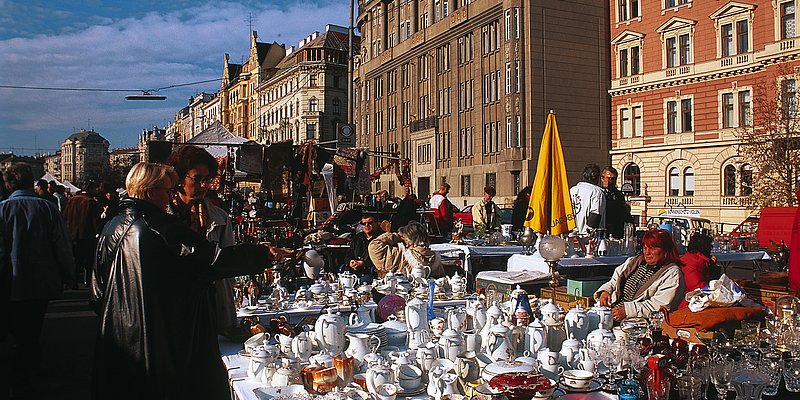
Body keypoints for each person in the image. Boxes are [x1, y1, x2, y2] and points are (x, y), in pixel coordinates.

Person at [90, 162, 282, 400]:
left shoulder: (112, 226)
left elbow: (97, 292)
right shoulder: (158, 226)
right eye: (167, 191)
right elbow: (212, 260)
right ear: (150, 192)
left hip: (119, 339)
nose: (170, 198)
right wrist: (263, 254)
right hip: (160, 339)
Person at [0, 163, 75, 398]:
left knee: (15, 325)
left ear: (8, 184)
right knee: (32, 327)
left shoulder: (2, 209)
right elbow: (62, 245)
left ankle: (21, 374)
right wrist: (69, 274)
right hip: (41, 280)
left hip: (8, 281)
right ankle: (27, 371)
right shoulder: (47, 208)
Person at [166, 145, 239, 336]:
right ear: (180, 178)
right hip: (175, 307)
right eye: (197, 179)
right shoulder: (163, 217)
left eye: (207, 180)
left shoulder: (219, 218)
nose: (204, 186)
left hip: (212, 304)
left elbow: (228, 263)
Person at [594, 229, 685, 320]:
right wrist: (605, 291)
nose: (647, 252)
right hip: (612, 312)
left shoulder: (672, 274)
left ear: (665, 251)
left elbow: (659, 306)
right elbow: (614, 281)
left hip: (639, 323)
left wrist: (627, 311)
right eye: (645, 248)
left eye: (652, 248)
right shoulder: (634, 262)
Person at [368, 221, 445, 278]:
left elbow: (374, 246)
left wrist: (397, 236)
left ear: (408, 240)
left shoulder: (401, 255)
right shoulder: (435, 257)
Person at [64, 183, 101, 289]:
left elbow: (65, 216)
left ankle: (73, 282)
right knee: (89, 261)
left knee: (76, 260)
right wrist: (96, 232)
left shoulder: (72, 200)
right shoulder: (90, 202)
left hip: (72, 235)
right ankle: (88, 282)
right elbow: (95, 220)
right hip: (87, 235)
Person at [679, 232, 715, 308]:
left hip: (693, 298)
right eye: (710, 246)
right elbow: (697, 287)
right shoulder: (693, 263)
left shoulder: (694, 258)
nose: (711, 248)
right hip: (688, 303)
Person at [570, 163, 606, 236]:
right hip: (588, 237)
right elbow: (595, 215)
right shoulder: (597, 193)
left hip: (571, 235)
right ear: (597, 177)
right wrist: (589, 234)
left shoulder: (572, 190)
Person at [343, 215, 381, 282]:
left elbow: (380, 260)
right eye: (363, 223)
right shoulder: (357, 238)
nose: (366, 225)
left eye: (370, 223)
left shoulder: (381, 239)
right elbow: (349, 253)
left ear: (376, 224)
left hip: (371, 272)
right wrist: (350, 262)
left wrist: (364, 264)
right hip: (354, 271)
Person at [601, 166, 634, 239]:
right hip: (603, 229)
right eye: (608, 178)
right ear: (602, 178)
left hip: (617, 231)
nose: (610, 181)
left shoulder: (619, 195)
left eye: (613, 179)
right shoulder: (599, 193)